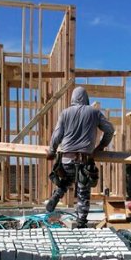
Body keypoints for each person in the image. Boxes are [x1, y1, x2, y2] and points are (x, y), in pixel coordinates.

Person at [46, 87, 115, 227]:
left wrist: (52, 150)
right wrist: (101, 146)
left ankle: (56, 196)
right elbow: (110, 130)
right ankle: (81, 222)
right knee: (83, 191)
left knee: (66, 180)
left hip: (65, 158)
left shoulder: (65, 113)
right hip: (84, 160)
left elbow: (57, 135)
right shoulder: (94, 112)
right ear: (86, 98)